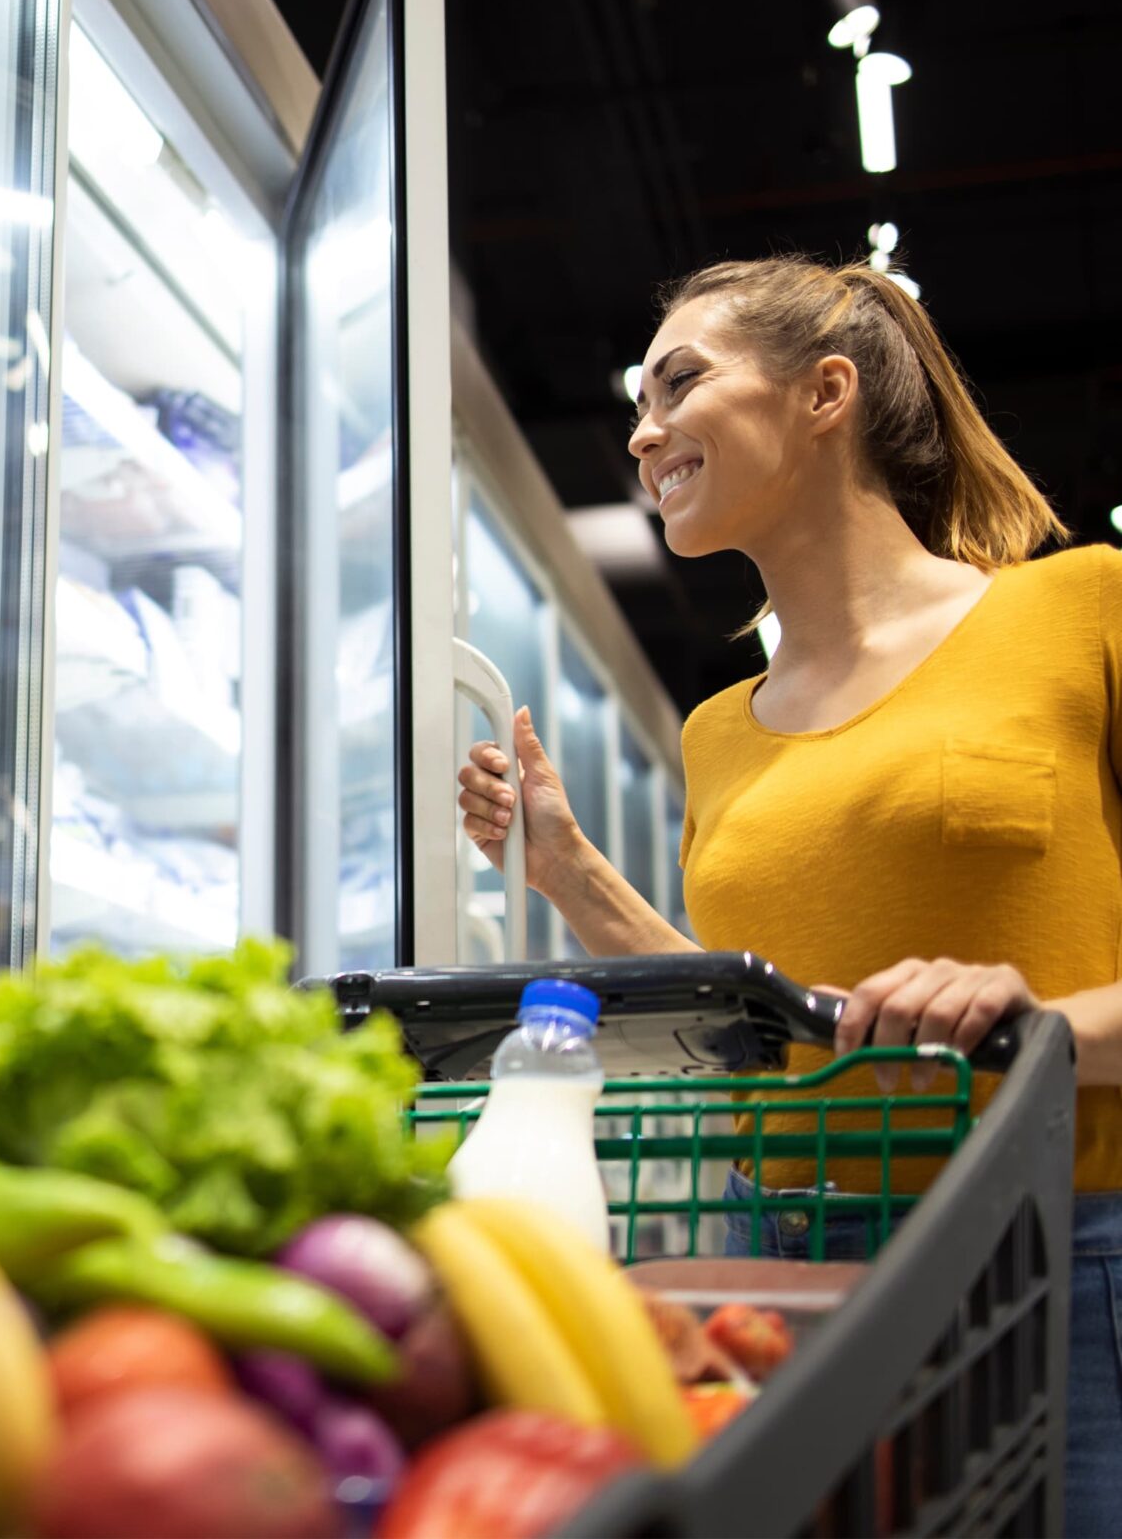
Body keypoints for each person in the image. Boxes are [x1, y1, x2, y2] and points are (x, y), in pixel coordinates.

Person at [456, 254, 1122, 1535]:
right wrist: (566, 870)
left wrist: (1025, 1022)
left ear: (825, 394)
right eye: (637, 399)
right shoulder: (719, 731)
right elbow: (755, 1022)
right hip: (791, 1272)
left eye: (679, 381)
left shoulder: (1077, 611)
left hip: (1060, 1248)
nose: (641, 430)